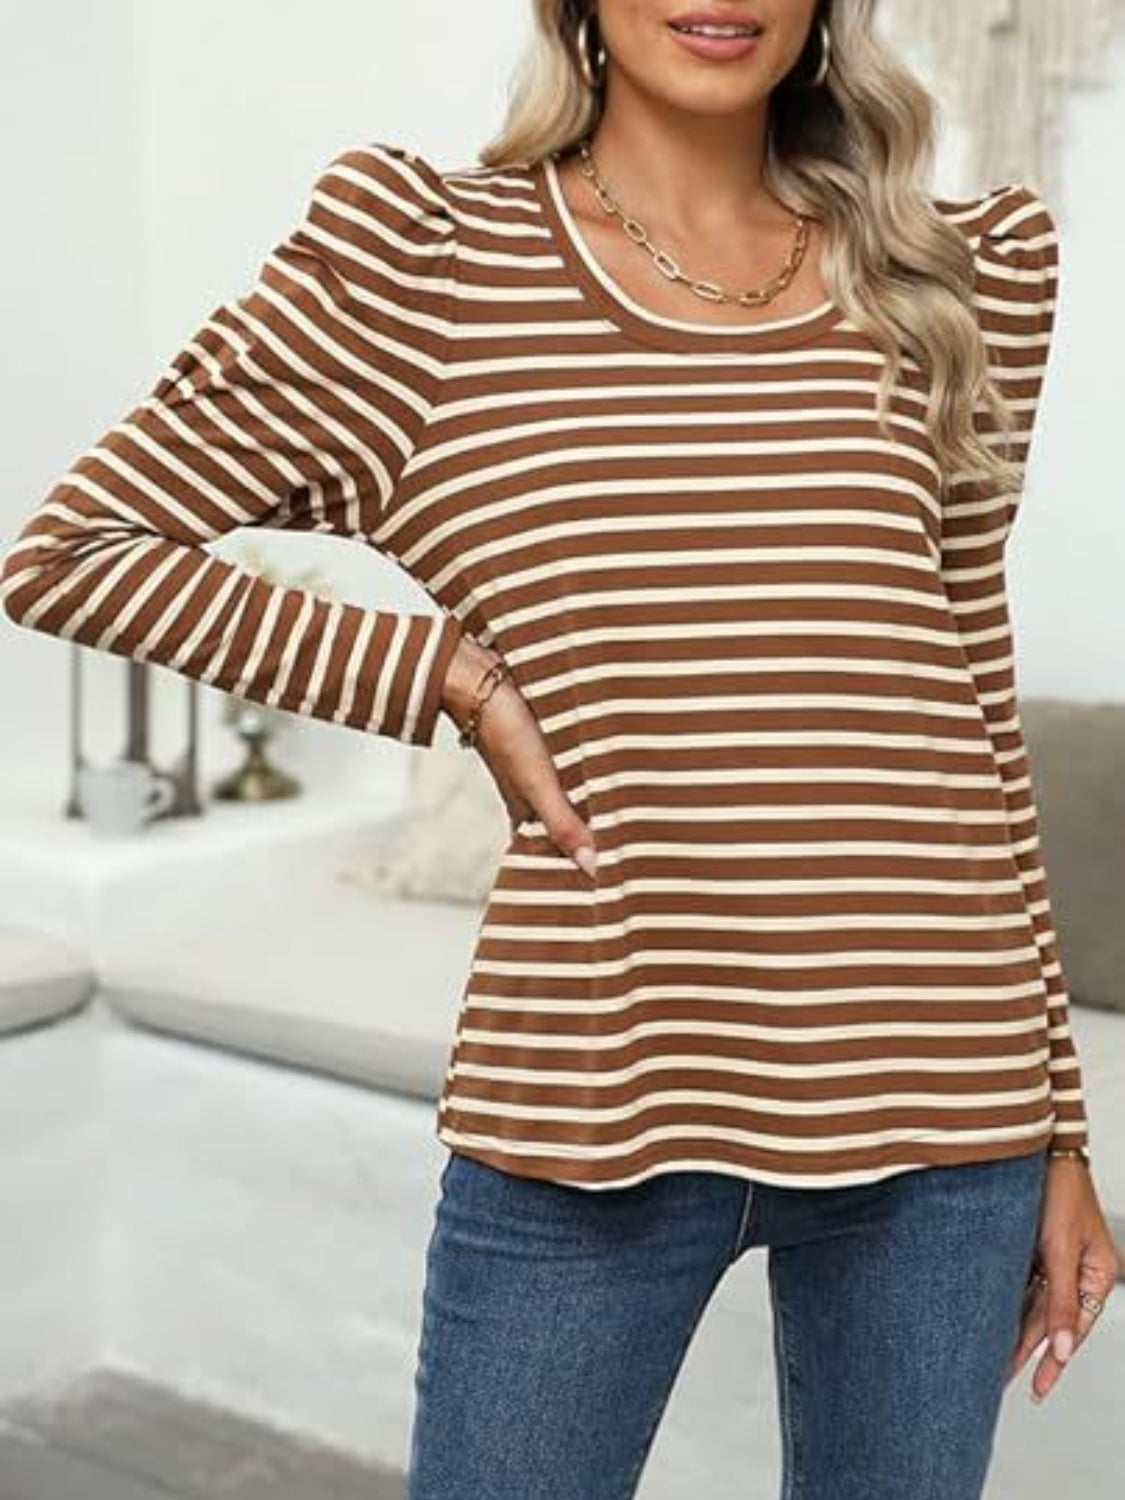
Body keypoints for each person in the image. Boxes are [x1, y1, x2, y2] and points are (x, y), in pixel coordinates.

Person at [1, 1, 1118, 1495]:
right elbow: (74, 552)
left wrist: (1058, 1130)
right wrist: (445, 675)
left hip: (948, 1111)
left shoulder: (950, 275)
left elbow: (968, 706)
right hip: (598, 1092)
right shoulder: (420, 265)